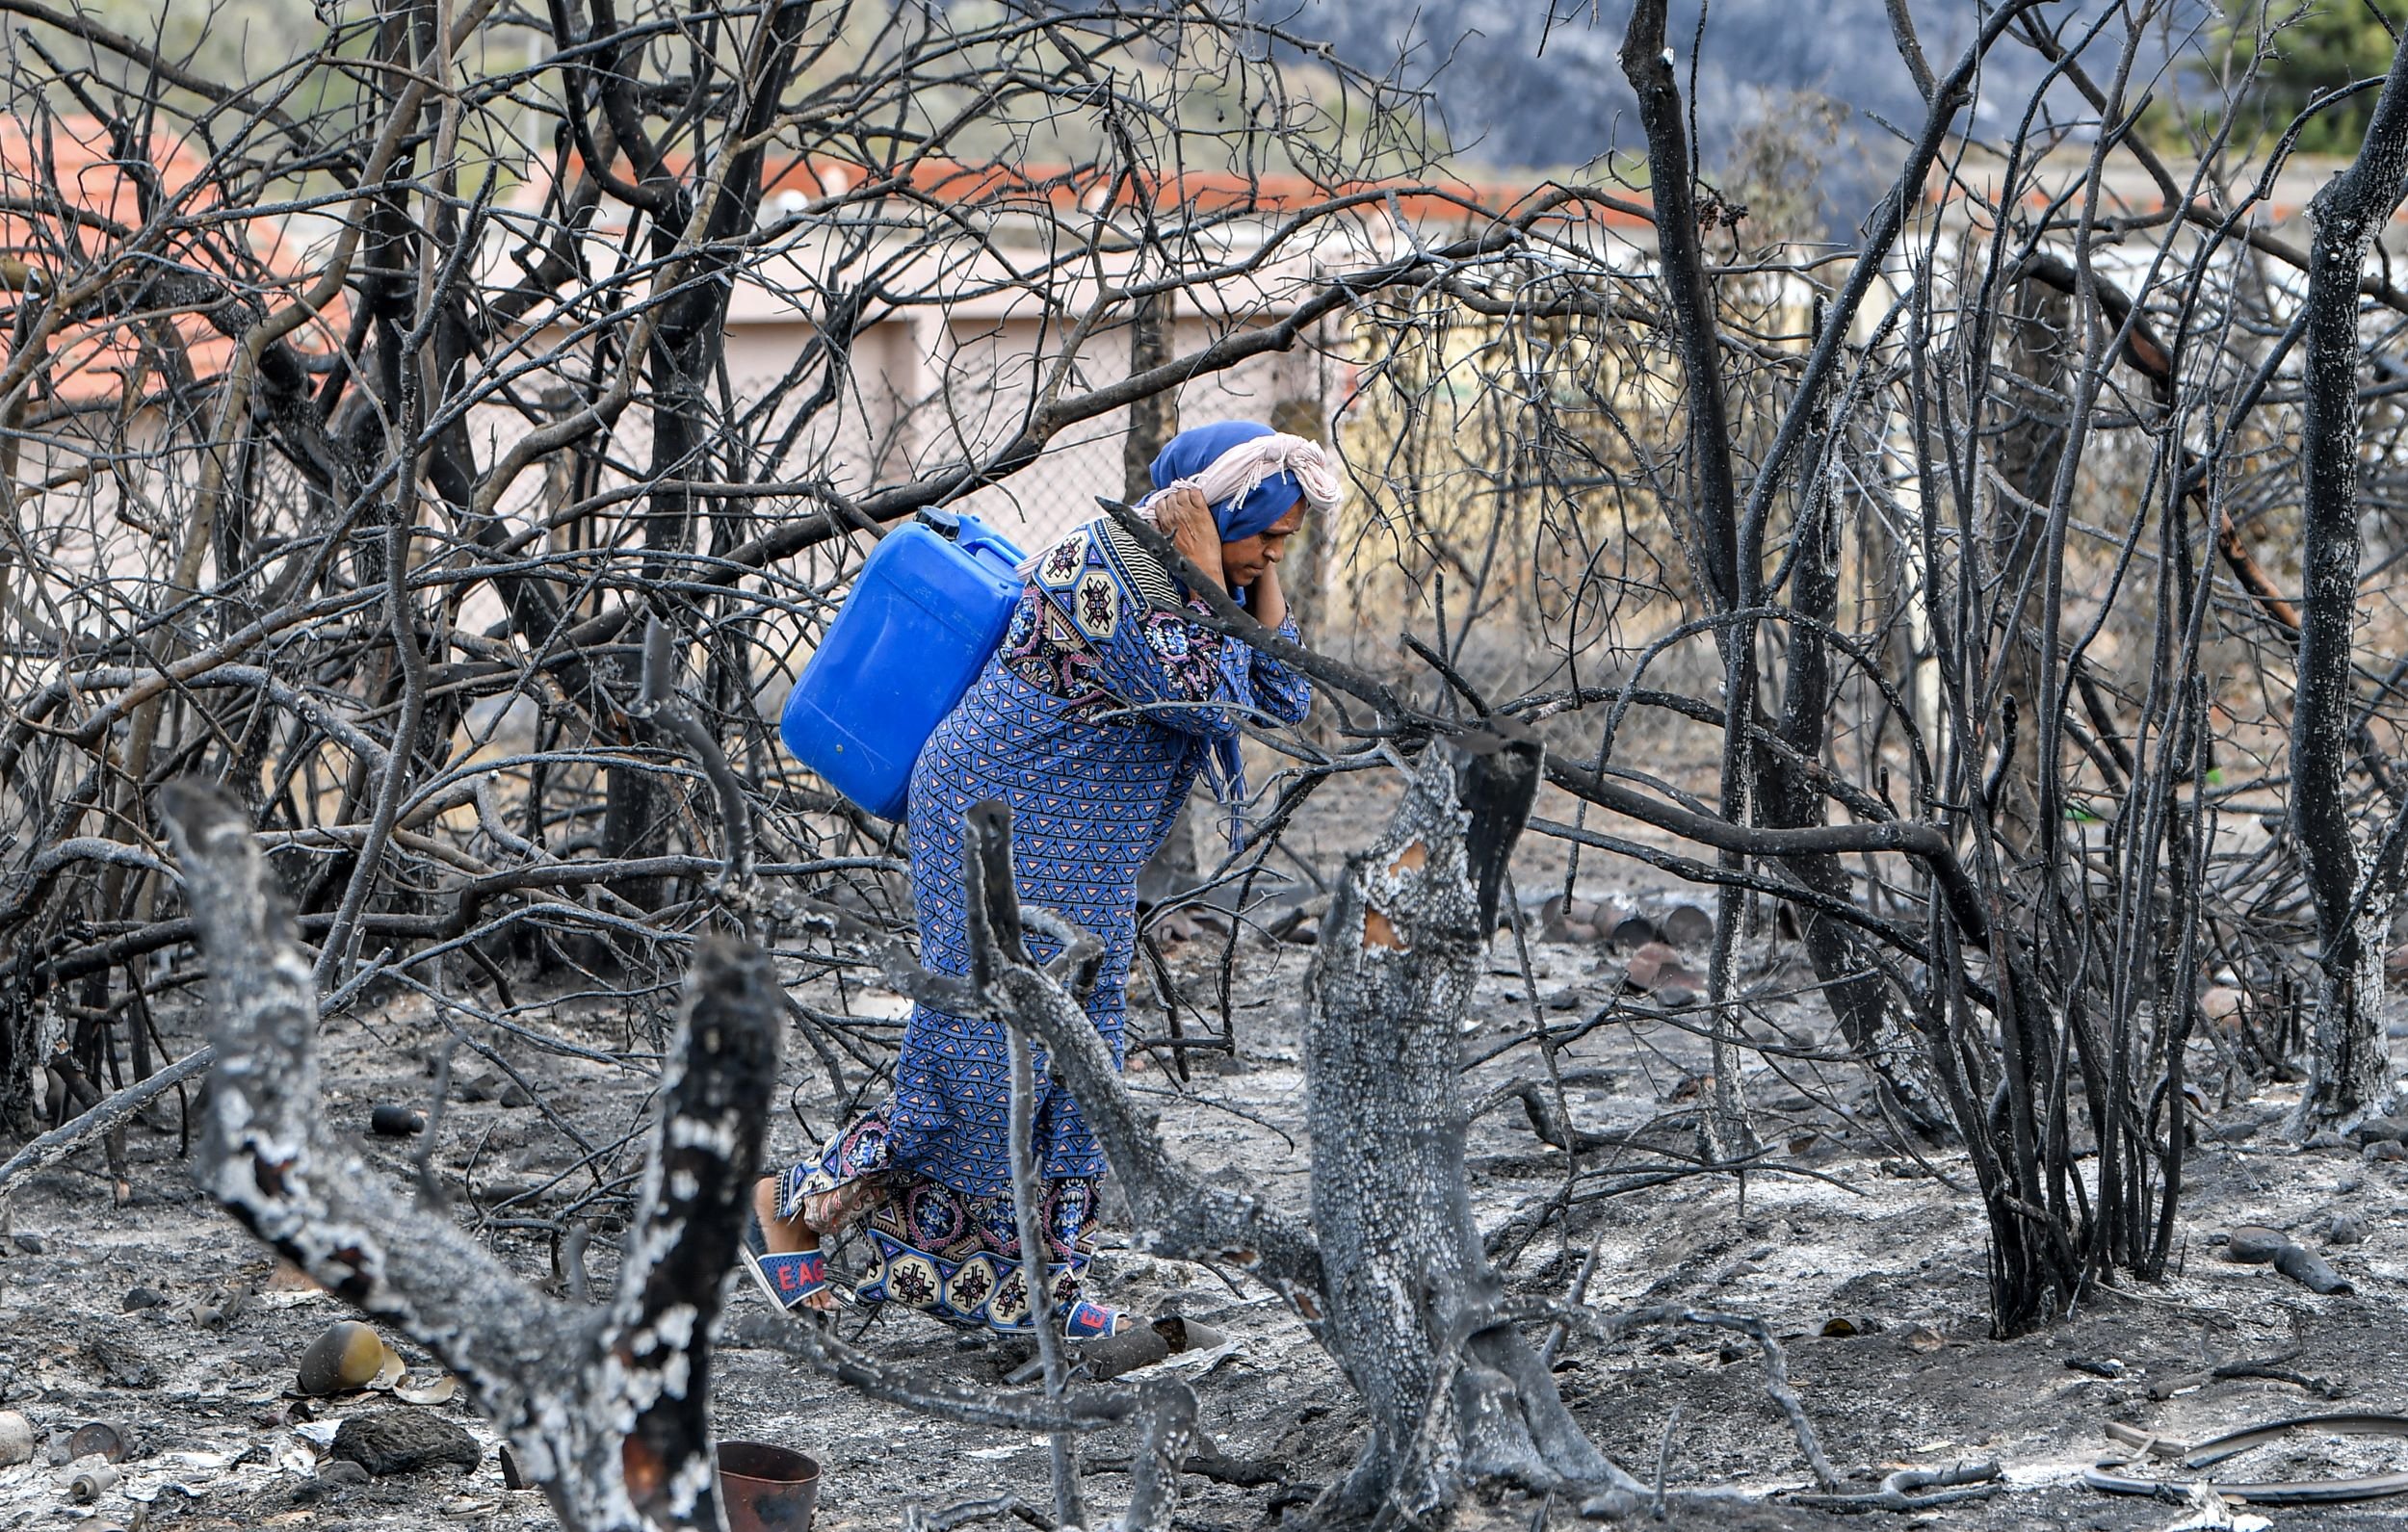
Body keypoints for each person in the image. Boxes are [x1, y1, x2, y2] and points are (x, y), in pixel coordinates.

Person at [745, 420, 1338, 1341]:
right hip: (997, 824)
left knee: (1075, 1072)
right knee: (977, 1059)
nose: (1272, 554)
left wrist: (1246, 577)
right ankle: (789, 1200)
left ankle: (1037, 1294)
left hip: (1080, 855)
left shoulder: (1187, 581)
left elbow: (1285, 693)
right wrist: (1213, 574)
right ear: (1212, 512)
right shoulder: (1108, 569)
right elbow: (1211, 699)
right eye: (1264, 532)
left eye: (1284, 542)